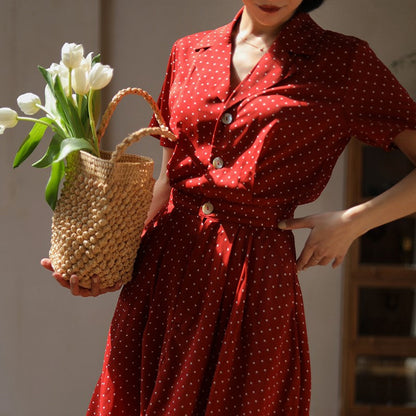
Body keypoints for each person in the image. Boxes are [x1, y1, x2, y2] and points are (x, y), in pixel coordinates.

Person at [41, 0, 416, 414]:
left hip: (252, 282)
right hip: (161, 275)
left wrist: (351, 222)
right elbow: (170, 181)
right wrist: (105, 256)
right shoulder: (189, 52)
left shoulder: (344, 63)